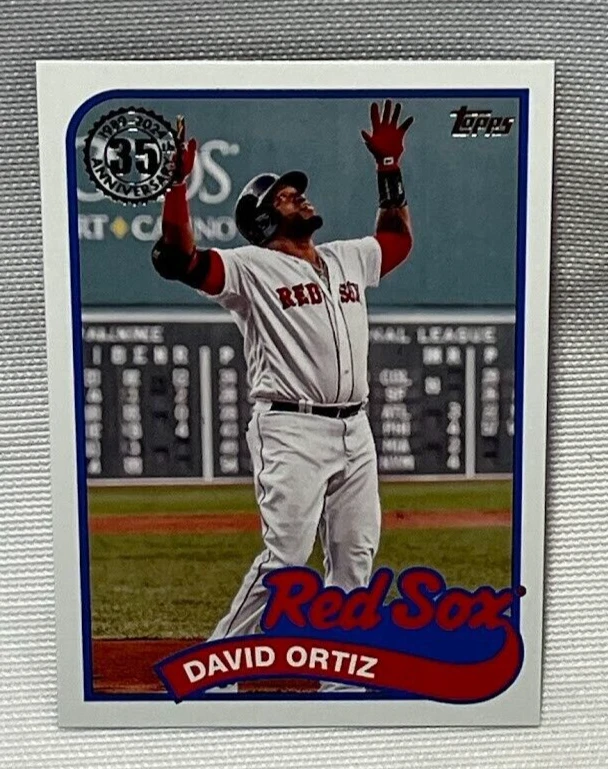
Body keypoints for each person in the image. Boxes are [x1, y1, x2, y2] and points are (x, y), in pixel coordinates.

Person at [151, 101, 414, 684]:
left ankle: (341, 677)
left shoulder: (347, 258)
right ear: (264, 221)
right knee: (287, 562)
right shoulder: (251, 268)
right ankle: (213, 669)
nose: (299, 196)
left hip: (356, 429)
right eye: (285, 196)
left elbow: (396, 240)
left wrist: (389, 168)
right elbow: (178, 258)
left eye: (296, 191)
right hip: (291, 428)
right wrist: (176, 188)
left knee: (355, 558)